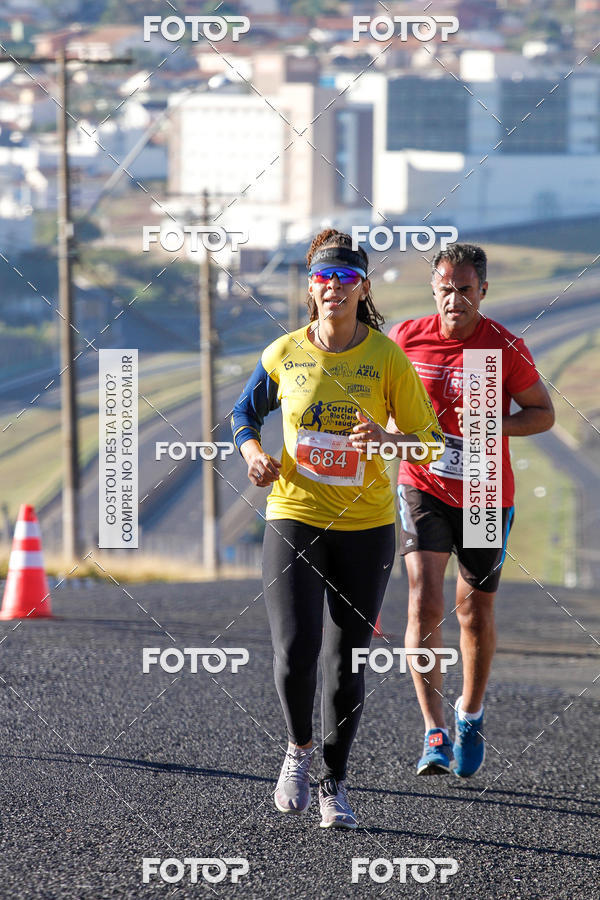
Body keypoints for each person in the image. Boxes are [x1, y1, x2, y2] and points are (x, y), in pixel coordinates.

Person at [231, 228, 443, 827]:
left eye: (346, 279)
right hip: (294, 512)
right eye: (324, 278)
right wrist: (251, 453)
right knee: (295, 650)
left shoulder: (385, 357)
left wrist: (387, 439)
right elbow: (244, 413)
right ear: (310, 288)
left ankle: (335, 784)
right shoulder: (284, 353)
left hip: (366, 523)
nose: (334, 288)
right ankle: (298, 751)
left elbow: (430, 444)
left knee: (346, 658)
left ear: (363, 288)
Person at [388, 242, 555, 778]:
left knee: (473, 611)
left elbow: (542, 414)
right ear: (433, 290)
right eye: (444, 287)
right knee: (422, 600)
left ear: (482, 291)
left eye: (465, 288)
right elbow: (383, 408)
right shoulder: (406, 338)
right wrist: (393, 433)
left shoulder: (504, 346)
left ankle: (470, 712)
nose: (454, 298)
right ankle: (433, 730)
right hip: (423, 483)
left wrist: (492, 427)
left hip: (484, 492)